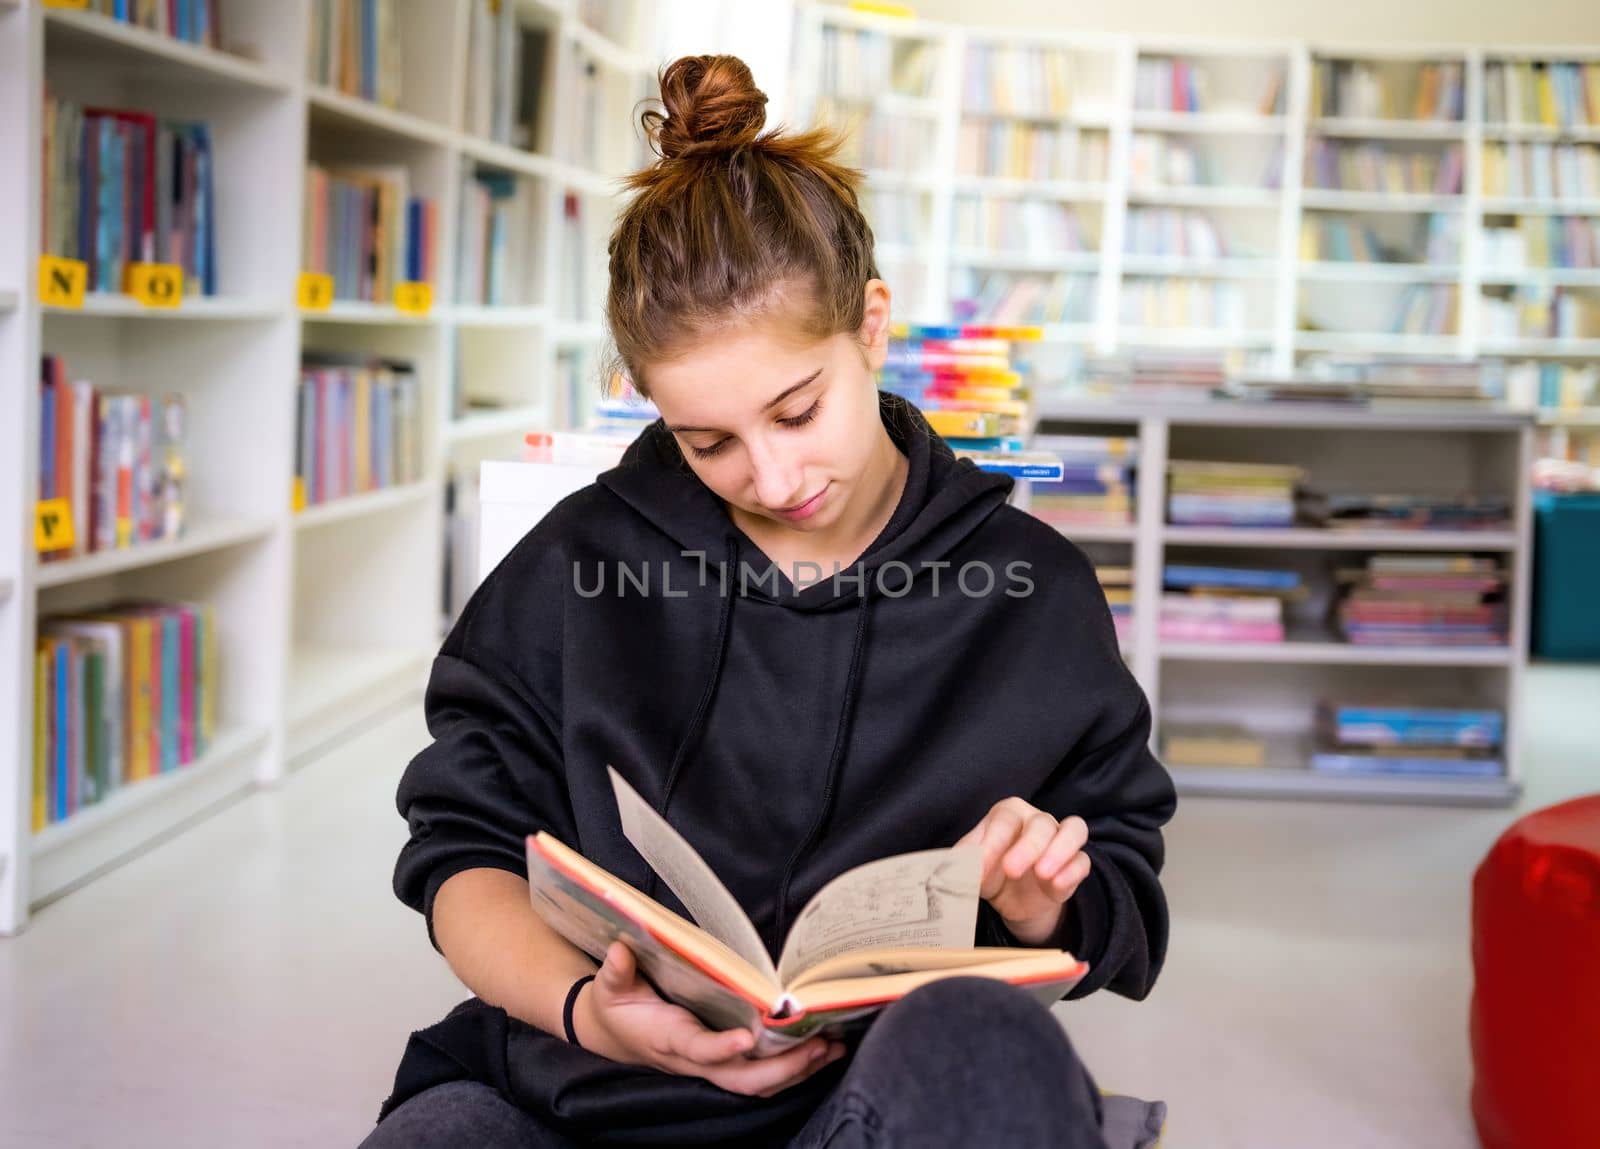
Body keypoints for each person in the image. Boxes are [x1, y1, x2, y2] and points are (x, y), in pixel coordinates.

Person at [361, 54, 1176, 1149]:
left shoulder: (1032, 589)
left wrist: (1042, 900)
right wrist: (582, 1013)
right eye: (708, 443)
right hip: (584, 1092)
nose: (774, 479)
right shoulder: (579, 561)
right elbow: (461, 849)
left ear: (871, 327)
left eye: (799, 409)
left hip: (862, 1104)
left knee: (987, 1047)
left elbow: (1121, 879)